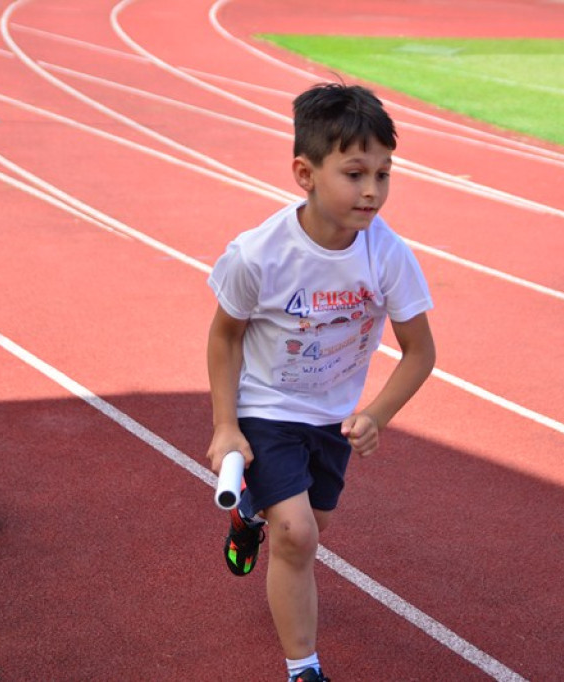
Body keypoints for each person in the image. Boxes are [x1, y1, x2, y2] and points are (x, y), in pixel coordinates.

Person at [205, 82, 436, 682]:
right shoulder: (258, 255)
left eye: (384, 175)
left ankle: (248, 517)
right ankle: (303, 668)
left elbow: (419, 352)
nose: (372, 191)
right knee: (298, 534)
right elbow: (225, 335)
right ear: (304, 174)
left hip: (332, 416)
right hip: (267, 406)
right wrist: (226, 427)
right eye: (355, 173)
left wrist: (376, 414)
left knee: (314, 527)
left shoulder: (388, 256)